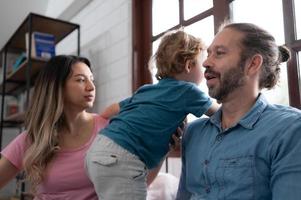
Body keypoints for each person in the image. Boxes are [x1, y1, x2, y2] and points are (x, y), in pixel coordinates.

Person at [85, 29, 219, 200]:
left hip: (97, 150)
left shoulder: (147, 90)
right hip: (122, 157)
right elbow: (219, 112)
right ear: (188, 65)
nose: (206, 68)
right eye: (202, 64)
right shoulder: (188, 91)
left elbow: (110, 111)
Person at [176, 22, 301, 200]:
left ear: (252, 64)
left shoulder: (290, 129)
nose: (205, 62)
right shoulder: (193, 132)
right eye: (209, 53)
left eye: (219, 53)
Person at [0, 55, 109, 199]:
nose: (91, 87)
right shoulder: (33, 138)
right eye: (81, 80)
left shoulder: (108, 128)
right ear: (57, 86)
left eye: (91, 80)